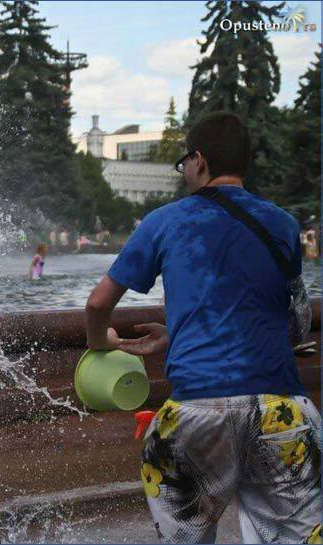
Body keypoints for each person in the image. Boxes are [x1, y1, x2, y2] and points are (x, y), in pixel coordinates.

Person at [85, 112, 319, 544]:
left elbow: (99, 302)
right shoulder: (283, 225)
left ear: (199, 160)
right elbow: (296, 325)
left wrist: (101, 344)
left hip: (197, 412)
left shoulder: (166, 221)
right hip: (280, 410)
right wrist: (179, 333)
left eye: (183, 163)